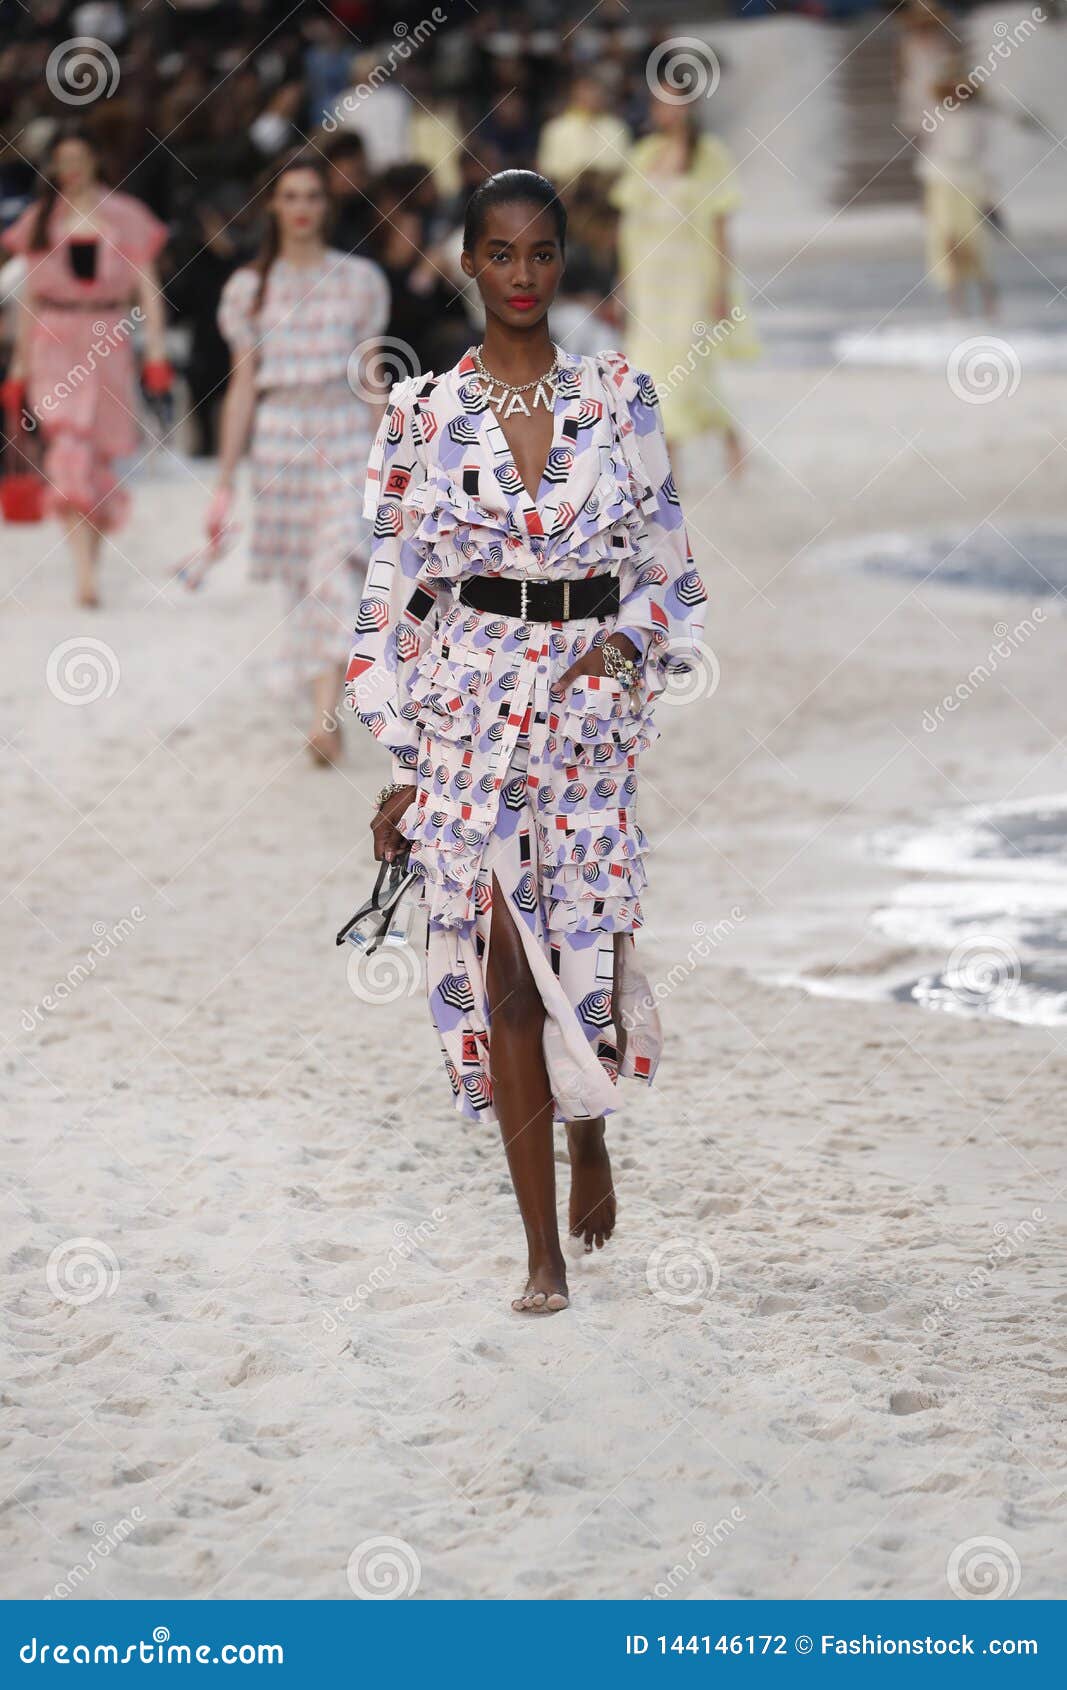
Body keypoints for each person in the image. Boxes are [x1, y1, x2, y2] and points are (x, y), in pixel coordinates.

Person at [346, 169, 707, 1313]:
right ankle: (538, 1251)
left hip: (587, 712)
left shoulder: (619, 399)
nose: (519, 275)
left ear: (562, 261)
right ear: (466, 263)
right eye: (497, 254)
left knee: (585, 950)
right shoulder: (426, 416)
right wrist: (403, 761)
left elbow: (675, 578)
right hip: (467, 713)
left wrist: (624, 649)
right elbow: (393, 591)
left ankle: (587, 1129)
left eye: (539, 254)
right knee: (503, 964)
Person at [211, 149, 389, 763]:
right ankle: (323, 693)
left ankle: (323, 716)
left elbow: (372, 376)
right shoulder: (248, 290)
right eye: (290, 197)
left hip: (341, 425)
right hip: (279, 432)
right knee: (300, 580)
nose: (302, 208)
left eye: (313, 196)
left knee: (337, 561)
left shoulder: (359, 281)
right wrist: (225, 480)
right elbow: (241, 386)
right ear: (273, 206)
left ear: (327, 205)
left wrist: (390, 460)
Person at [1, 126, 170, 607]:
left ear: (95, 159)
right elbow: (29, 298)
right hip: (53, 340)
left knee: (96, 455)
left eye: (78, 156)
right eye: (62, 159)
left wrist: (155, 351)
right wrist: (18, 366)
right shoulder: (40, 219)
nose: (70, 168)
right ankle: (83, 574)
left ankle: (89, 561)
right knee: (68, 448)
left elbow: (147, 286)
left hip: (108, 338)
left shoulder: (126, 217)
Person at [610, 90, 759, 474]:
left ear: (691, 107)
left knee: (690, 368)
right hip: (649, 281)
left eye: (674, 102)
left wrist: (723, 287)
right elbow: (628, 227)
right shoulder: (644, 154)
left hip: (693, 277)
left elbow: (722, 224)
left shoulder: (709, 154)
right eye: (659, 102)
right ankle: (668, 460)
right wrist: (622, 283)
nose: (665, 110)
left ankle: (729, 438)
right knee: (649, 369)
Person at [917, 80, 997, 317]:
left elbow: (984, 154)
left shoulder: (977, 119)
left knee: (973, 243)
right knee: (946, 241)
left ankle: (987, 300)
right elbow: (930, 153)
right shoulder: (937, 116)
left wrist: (990, 193)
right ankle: (957, 303)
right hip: (943, 184)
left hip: (969, 183)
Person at [537, 72, 631, 186]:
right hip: (566, 194)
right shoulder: (555, 128)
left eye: (595, 91)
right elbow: (548, 169)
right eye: (585, 90)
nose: (591, 96)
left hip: (609, 193)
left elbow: (625, 169)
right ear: (573, 94)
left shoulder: (617, 128)